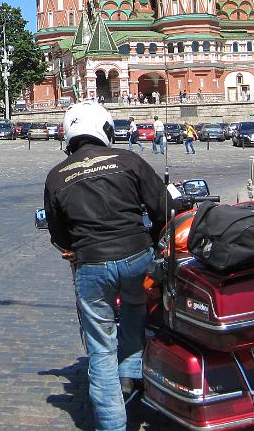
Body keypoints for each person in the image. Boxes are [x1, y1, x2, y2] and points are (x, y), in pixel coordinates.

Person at [43, 102, 167, 431]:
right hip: (136, 256)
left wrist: (77, 247)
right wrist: (153, 240)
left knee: (100, 349)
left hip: (92, 266)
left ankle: (112, 425)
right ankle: (131, 377)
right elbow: (163, 208)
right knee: (135, 311)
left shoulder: (56, 176)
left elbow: (59, 235)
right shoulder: (129, 160)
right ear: (106, 131)